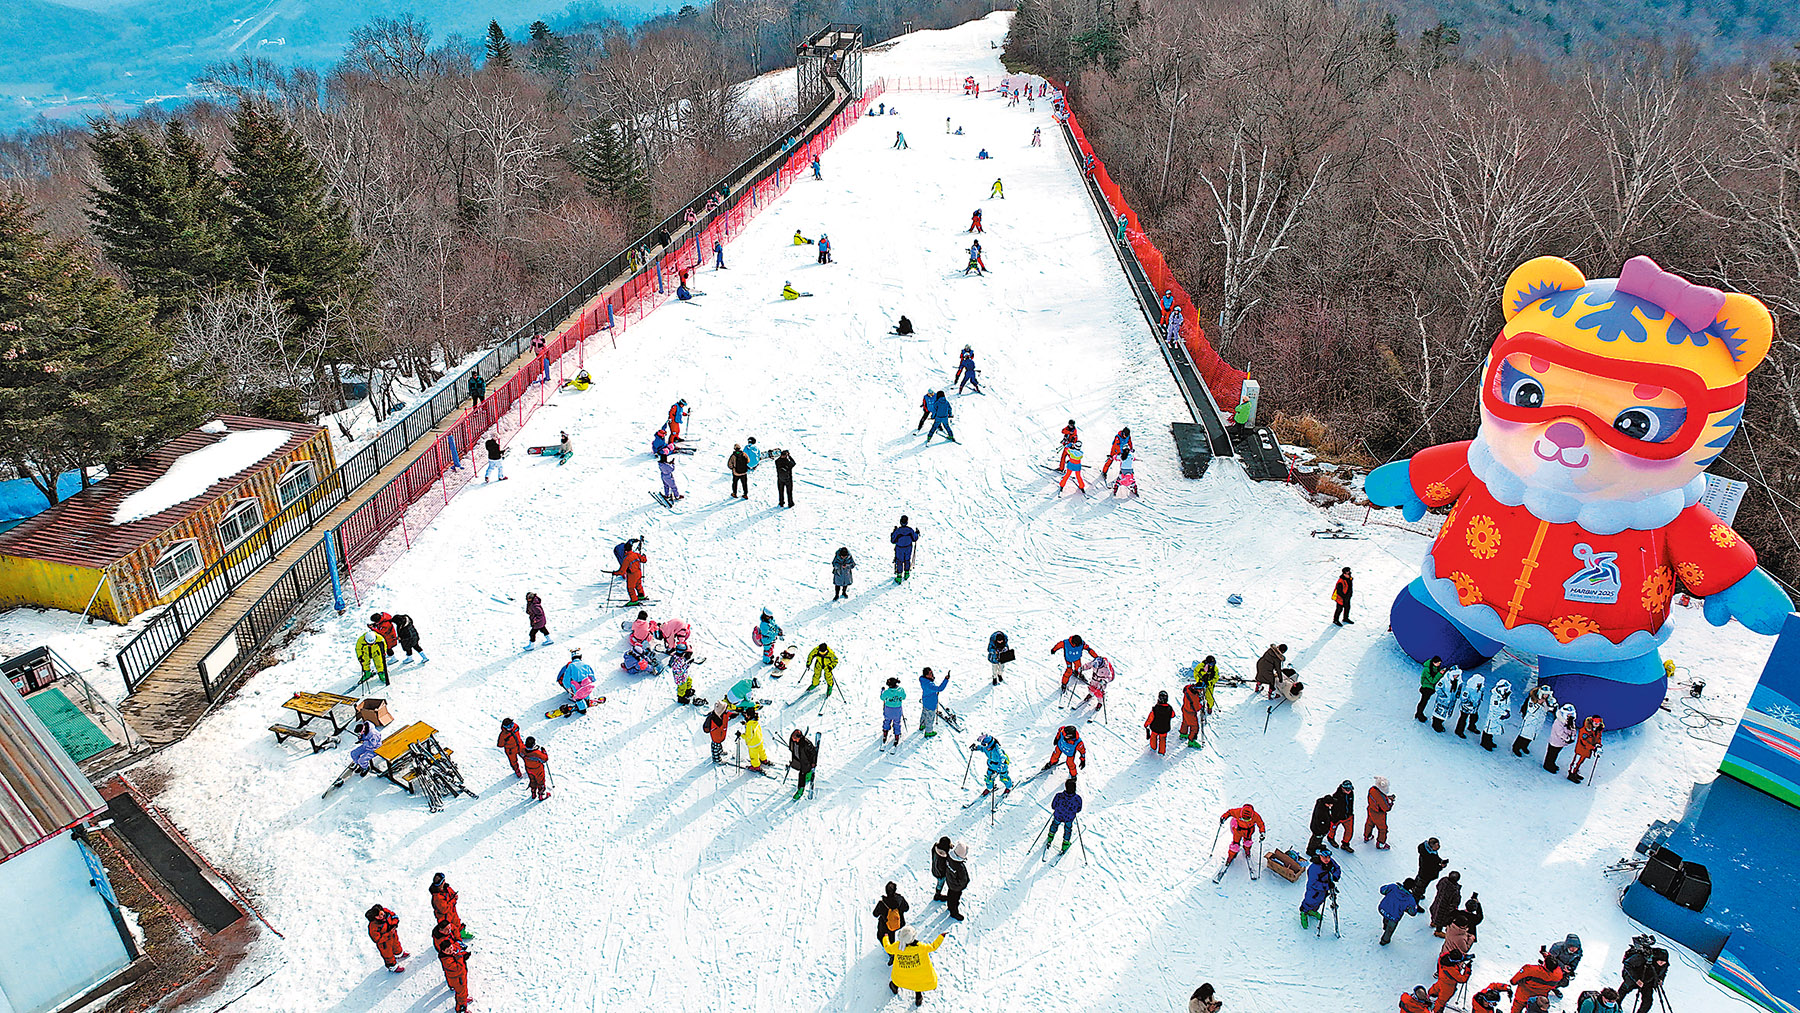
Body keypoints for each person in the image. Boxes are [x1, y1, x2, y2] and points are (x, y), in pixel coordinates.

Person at [883, 926, 946, 1006]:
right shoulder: (921, 947)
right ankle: (918, 998)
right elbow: (933, 946)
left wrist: (885, 938)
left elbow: (888, 948)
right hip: (918, 975)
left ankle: (894, 988)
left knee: (897, 981)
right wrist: (941, 937)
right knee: (917, 984)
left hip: (902, 973)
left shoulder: (897, 947)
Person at [1618, 938, 1668, 1013]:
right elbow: (1627, 964)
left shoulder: (1664, 964)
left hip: (1648, 982)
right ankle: (1614, 1008)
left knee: (1648, 1002)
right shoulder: (1641, 958)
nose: (1662, 964)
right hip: (1633, 978)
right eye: (1660, 962)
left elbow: (1663, 972)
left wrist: (1661, 979)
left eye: (1663, 963)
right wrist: (1636, 979)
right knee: (1621, 993)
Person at [433, 920, 472, 1013]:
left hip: (455, 976)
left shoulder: (450, 946)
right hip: (458, 977)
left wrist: (461, 950)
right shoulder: (447, 959)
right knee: (461, 992)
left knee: (453, 982)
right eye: (447, 930)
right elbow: (458, 968)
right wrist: (460, 957)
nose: (449, 931)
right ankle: (461, 1008)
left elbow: (455, 931)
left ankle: (452, 986)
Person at [1310, 780, 1356, 854]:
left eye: (1350, 789)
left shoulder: (1351, 794)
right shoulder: (1336, 796)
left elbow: (1350, 804)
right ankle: (1330, 838)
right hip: (1337, 818)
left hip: (1348, 816)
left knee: (1349, 831)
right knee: (1332, 829)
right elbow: (1333, 808)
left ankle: (1345, 844)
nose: (1349, 791)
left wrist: (1350, 813)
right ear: (1342, 788)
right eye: (1347, 789)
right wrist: (1334, 817)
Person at [1299, 850, 1341, 929]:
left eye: (1328, 857)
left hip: (1324, 890)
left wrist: (1335, 876)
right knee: (1310, 901)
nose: (1327, 859)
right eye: (1324, 857)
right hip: (1314, 891)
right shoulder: (1314, 868)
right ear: (1319, 856)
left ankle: (1313, 911)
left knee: (1320, 901)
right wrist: (1327, 885)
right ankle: (1304, 912)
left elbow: (1337, 868)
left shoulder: (1330, 862)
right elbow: (1314, 884)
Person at [1218, 803, 1265, 873]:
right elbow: (1229, 812)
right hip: (1238, 830)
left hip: (1248, 831)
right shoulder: (1237, 812)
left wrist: (1262, 832)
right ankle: (1231, 856)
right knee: (1235, 844)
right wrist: (1223, 817)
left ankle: (1247, 851)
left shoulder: (1256, 816)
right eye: (1243, 818)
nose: (1245, 820)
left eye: (1247, 819)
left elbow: (1261, 824)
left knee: (1248, 842)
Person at [1513, 685, 1557, 757]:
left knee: (1531, 736)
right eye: (1545, 694)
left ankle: (1524, 746)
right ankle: (1516, 747)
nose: (1546, 696)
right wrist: (1539, 704)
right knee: (1524, 735)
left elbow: (1548, 709)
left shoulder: (1547, 700)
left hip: (1539, 721)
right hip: (1530, 720)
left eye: (1547, 694)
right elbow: (1531, 710)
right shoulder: (1533, 699)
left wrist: (1552, 705)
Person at [1379, 880, 1423, 945]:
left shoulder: (1393, 887)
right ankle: (1384, 940)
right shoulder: (1410, 899)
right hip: (1394, 916)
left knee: (1386, 916)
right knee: (1390, 928)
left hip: (1384, 909)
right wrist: (1407, 909)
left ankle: (1385, 925)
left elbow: (1382, 890)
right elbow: (1412, 912)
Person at [873, 882, 909, 961]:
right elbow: (906, 908)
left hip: (886, 927)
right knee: (892, 933)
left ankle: (891, 954)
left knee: (880, 936)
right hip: (899, 923)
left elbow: (875, 914)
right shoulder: (900, 899)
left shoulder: (882, 903)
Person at [1046, 777, 1082, 853]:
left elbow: (1053, 806)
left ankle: (1050, 837)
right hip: (1069, 818)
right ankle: (1065, 844)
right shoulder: (1078, 799)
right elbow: (1078, 809)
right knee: (1068, 829)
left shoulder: (1059, 796)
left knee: (1054, 825)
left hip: (1058, 815)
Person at [366, 904, 407, 971]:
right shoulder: (373, 926)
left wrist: (394, 924)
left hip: (393, 936)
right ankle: (392, 966)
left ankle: (399, 954)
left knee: (396, 945)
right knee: (388, 955)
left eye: (382, 914)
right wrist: (388, 934)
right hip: (384, 943)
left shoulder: (386, 912)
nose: (381, 916)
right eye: (378, 916)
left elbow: (394, 916)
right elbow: (377, 939)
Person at [556, 648, 595, 716]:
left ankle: (582, 709)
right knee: (586, 691)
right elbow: (591, 673)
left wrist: (568, 687)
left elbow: (566, 677)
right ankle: (587, 701)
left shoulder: (571, 666)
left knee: (578, 697)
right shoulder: (585, 664)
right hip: (586, 683)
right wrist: (592, 679)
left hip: (577, 684)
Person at [1544, 703, 1579, 774]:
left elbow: (1573, 729)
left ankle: (1552, 764)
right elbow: (1560, 733)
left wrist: (1573, 737)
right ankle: (1547, 765)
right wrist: (1567, 738)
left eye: (1571, 714)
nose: (1570, 716)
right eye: (1568, 714)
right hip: (1555, 742)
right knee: (1551, 754)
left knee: (1555, 754)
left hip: (1561, 743)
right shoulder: (1558, 722)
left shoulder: (1570, 721)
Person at [1569, 715, 1604, 782]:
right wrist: (1593, 748)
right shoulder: (1584, 730)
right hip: (1581, 749)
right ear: (1592, 722)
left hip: (1587, 750)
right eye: (1595, 723)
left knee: (1581, 762)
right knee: (1576, 762)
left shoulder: (1598, 730)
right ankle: (1571, 774)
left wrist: (1598, 745)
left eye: (1598, 723)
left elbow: (1598, 738)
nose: (1597, 725)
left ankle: (1575, 772)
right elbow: (1584, 742)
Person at [429, 873, 465, 939]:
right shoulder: (437, 897)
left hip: (452, 912)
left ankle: (460, 934)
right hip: (444, 917)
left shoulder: (447, 888)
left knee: (456, 922)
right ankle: (451, 942)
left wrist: (454, 896)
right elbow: (445, 909)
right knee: (447, 929)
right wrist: (453, 900)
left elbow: (452, 894)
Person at [1480, 681, 1513, 751]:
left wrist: (1508, 711)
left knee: (1493, 730)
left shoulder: (1506, 696)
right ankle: (1484, 743)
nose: (1507, 690)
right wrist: (1504, 713)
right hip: (1493, 716)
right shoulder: (1495, 697)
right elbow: (1495, 708)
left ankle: (1489, 741)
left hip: (1499, 717)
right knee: (1488, 730)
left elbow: (1508, 704)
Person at [918, 667, 950, 737]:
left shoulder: (923, 680)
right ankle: (928, 731)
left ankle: (922, 725)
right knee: (930, 718)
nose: (932, 674)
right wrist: (946, 680)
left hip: (925, 701)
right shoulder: (929, 685)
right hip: (931, 703)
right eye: (930, 673)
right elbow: (940, 688)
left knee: (924, 714)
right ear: (926, 675)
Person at [1429, 871, 1463, 938]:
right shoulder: (1454, 889)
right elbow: (1456, 901)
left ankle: (1433, 922)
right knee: (1441, 920)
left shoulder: (1444, 880)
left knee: (1434, 911)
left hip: (1438, 901)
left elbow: (1437, 886)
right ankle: (1438, 931)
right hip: (1445, 908)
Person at [1431, 666, 1464, 733]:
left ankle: (1440, 724)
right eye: (1455, 675)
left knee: (1444, 714)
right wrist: (1443, 696)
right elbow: (1437, 688)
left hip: (1450, 702)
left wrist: (1457, 695)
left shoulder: (1458, 682)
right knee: (1438, 713)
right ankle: (1435, 725)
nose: (1456, 676)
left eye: (1457, 675)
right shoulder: (1444, 680)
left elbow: (1458, 689)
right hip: (1443, 701)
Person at [1455, 670, 1487, 739]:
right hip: (1466, 708)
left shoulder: (1480, 689)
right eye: (1478, 683)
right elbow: (1463, 699)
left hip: (1474, 708)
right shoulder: (1468, 689)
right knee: (1463, 719)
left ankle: (1471, 727)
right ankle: (1459, 731)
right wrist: (1469, 704)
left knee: (1474, 717)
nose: (1479, 685)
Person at [787, 729, 817, 800]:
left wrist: (813, 762)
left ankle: (800, 790)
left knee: (802, 775)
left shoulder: (806, 744)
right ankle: (808, 776)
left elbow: (813, 753)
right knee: (800, 770)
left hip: (805, 762)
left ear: (799, 737)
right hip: (797, 760)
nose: (793, 740)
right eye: (792, 738)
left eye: (794, 738)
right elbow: (791, 746)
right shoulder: (792, 740)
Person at [1417, 656, 1449, 723]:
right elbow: (1432, 680)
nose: (1439, 664)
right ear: (1434, 662)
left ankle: (1419, 713)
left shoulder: (1435, 668)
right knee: (1423, 702)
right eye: (1438, 663)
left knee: (1424, 701)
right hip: (1427, 687)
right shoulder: (1427, 669)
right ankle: (1419, 714)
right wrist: (1440, 674)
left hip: (1431, 688)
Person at [942, 843, 970, 919]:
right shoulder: (960, 867)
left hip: (950, 882)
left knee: (950, 894)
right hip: (957, 887)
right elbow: (964, 880)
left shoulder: (949, 858)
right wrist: (962, 886)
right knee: (955, 899)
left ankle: (949, 906)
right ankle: (954, 912)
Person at [1365, 776, 1394, 849]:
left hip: (1371, 809)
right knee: (1382, 829)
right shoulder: (1381, 796)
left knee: (1369, 823)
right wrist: (1391, 802)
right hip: (1379, 814)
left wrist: (1386, 798)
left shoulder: (1372, 789)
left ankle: (1367, 836)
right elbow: (1386, 807)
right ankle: (1381, 843)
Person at [891, 516, 921, 582]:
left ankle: (899, 576)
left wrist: (893, 532)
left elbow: (893, 540)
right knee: (907, 559)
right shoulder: (910, 530)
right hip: (908, 547)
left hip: (899, 548)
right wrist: (917, 533)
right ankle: (906, 574)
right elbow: (915, 538)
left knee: (899, 561)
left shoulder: (898, 531)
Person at [880, 678, 907, 745]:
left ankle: (885, 732)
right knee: (897, 722)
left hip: (888, 710)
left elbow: (882, 697)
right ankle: (897, 735)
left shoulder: (886, 692)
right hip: (897, 710)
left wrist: (882, 691)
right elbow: (904, 697)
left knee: (887, 720)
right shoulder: (900, 690)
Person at [1180, 681, 1206, 747]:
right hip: (1190, 713)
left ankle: (1183, 733)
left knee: (1185, 722)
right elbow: (1197, 708)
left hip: (1185, 708)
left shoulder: (1188, 688)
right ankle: (1191, 741)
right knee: (1195, 727)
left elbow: (1185, 688)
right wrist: (1201, 705)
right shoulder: (1194, 697)